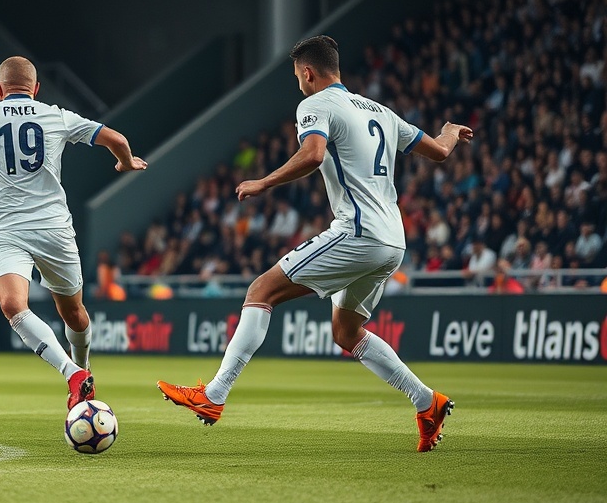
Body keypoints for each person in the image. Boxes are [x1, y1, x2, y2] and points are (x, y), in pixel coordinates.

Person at [156, 35, 473, 453]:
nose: (298, 84)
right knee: (346, 332)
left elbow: (312, 154)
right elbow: (438, 152)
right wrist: (448, 132)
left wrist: (262, 182)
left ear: (307, 73)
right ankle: (426, 402)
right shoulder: (380, 110)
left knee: (261, 291)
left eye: (296, 76)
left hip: (358, 231)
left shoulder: (316, 105)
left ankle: (214, 395)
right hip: (393, 241)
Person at [0, 56, 147, 411]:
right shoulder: (55, 115)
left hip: (6, 231)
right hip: (54, 230)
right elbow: (115, 138)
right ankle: (76, 372)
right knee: (74, 314)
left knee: (15, 306)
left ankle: (81, 374)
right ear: (36, 89)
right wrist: (125, 161)